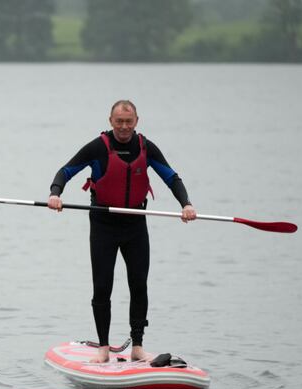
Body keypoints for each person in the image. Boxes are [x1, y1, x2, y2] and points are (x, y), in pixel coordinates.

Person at [47, 100, 197, 363]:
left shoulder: (146, 147)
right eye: (119, 121)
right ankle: (103, 347)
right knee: (102, 286)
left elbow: (172, 178)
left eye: (129, 121)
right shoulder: (97, 147)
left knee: (139, 284)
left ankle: (137, 345)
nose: (124, 127)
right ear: (110, 121)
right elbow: (65, 170)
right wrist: (55, 194)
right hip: (104, 224)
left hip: (135, 223)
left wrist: (186, 204)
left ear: (137, 121)